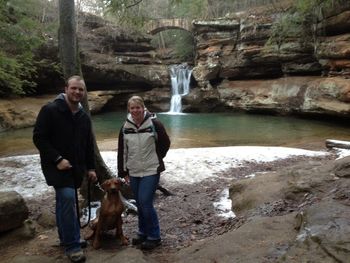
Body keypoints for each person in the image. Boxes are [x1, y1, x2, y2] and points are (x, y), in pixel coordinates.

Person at [33, 75, 97, 262]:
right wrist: (58, 158)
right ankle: (73, 246)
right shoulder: (50, 110)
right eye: (74, 88)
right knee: (68, 198)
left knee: (63, 202)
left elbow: (88, 145)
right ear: (66, 89)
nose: (77, 92)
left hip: (75, 168)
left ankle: (66, 237)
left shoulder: (83, 117)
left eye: (81, 89)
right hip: (55, 166)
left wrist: (91, 168)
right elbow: (39, 138)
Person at [117, 95, 170, 250]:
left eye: (138, 107)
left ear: (143, 107)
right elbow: (122, 151)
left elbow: (165, 143)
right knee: (139, 203)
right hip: (133, 170)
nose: (135, 111)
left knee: (145, 202)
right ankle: (142, 232)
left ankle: (154, 235)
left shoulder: (154, 123)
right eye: (132, 108)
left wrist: (157, 157)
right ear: (129, 109)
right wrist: (123, 171)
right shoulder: (125, 127)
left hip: (151, 169)